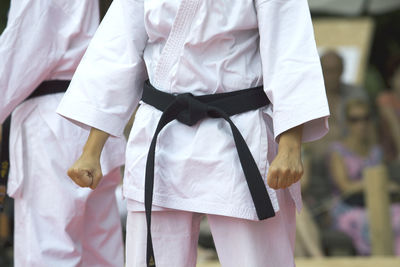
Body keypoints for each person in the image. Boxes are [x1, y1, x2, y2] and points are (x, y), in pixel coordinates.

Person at [58, 0, 330, 266]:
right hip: (161, 134)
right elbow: (116, 52)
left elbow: (290, 54)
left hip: (240, 135)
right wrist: (91, 151)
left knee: (255, 258)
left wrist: (290, 148)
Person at [0, 1, 125, 266]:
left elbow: (19, 54)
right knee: (101, 249)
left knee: (50, 249)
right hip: (93, 114)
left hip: (52, 127)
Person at [328, 98, 400, 255]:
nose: (361, 124)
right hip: (348, 208)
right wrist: (376, 184)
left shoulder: (376, 152)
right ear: (347, 122)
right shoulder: (338, 151)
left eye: (366, 118)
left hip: (377, 204)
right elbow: (344, 186)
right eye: (355, 119)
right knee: (374, 221)